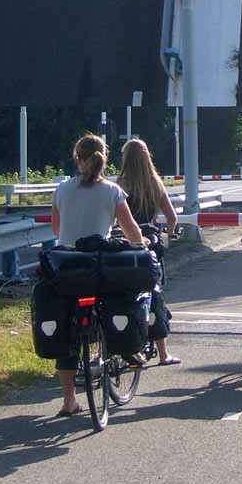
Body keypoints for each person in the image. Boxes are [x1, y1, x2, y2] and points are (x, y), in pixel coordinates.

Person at [51, 132, 145, 417]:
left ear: (76, 159)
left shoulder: (62, 190)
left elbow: (57, 230)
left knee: (66, 332)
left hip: (66, 267)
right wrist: (142, 245)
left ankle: (69, 401)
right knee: (121, 297)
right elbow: (131, 231)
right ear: (104, 159)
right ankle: (127, 347)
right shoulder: (113, 192)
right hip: (97, 266)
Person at [117, 137, 182, 367]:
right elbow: (172, 217)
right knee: (155, 294)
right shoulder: (155, 183)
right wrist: (170, 233)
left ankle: (127, 344)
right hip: (150, 245)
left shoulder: (120, 184)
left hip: (126, 245)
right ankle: (163, 354)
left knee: (126, 294)